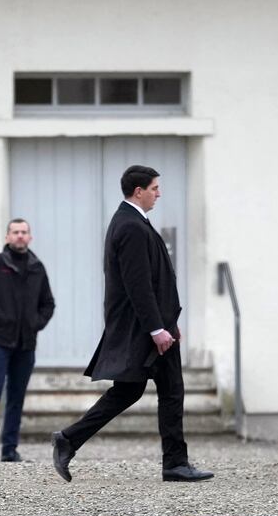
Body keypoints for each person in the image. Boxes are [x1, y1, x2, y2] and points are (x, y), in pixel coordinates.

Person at [51, 166, 213, 484]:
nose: (159, 192)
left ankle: (69, 439)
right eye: (154, 188)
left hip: (151, 326)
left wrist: (168, 322)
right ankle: (175, 463)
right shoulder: (131, 226)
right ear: (138, 191)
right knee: (171, 391)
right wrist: (157, 329)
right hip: (146, 330)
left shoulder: (131, 222)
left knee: (128, 390)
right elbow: (138, 284)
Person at [0, 218, 55, 462]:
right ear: (7, 237)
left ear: (30, 237)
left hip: (26, 342)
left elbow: (48, 303)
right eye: (15, 232)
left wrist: (36, 323)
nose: (19, 236)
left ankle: (9, 449)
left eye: (24, 232)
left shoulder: (37, 267)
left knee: (17, 395)